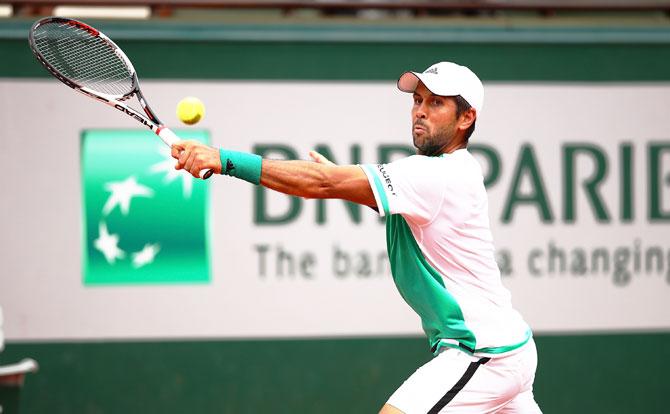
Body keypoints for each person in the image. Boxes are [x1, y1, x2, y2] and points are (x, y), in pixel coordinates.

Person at [172, 61, 542, 413]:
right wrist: (345, 184)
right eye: (417, 100)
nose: (420, 111)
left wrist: (222, 160)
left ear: (466, 118)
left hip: (484, 352)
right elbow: (362, 193)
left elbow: (319, 184)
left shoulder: (435, 175)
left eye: (436, 103)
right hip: (512, 346)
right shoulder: (451, 172)